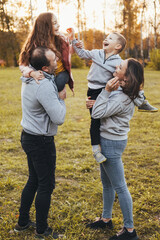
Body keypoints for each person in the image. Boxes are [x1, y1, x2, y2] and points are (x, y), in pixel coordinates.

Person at [67, 28, 158, 164]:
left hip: (106, 89)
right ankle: (96, 150)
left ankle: (142, 102)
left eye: (110, 38)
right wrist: (74, 40)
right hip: (93, 91)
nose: (105, 39)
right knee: (95, 120)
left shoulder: (118, 63)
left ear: (118, 46)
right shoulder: (96, 53)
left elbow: (129, 79)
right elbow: (81, 54)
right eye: (106, 37)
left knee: (129, 86)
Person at [86, 58, 143, 240]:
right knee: (107, 183)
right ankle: (106, 218)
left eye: (120, 67)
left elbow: (97, 114)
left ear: (127, 76)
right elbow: (102, 108)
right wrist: (99, 100)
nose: (115, 67)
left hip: (111, 143)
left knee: (120, 186)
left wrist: (104, 92)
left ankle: (129, 230)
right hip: (111, 139)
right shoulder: (125, 90)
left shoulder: (121, 98)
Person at [14, 47, 66, 240]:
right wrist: (61, 100)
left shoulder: (29, 77)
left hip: (28, 136)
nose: (57, 61)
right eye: (54, 60)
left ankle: (22, 223)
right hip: (41, 141)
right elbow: (59, 117)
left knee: (33, 180)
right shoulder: (42, 85)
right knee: (46, 185)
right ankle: (42, 230)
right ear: (44, 67)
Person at [19, 12, 75, 93]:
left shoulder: (61, 38)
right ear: (46, 27)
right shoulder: (34, 44)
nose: (58, 25)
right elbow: (23, 65)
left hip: (61, 73)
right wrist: (32, 73)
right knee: (45, 86)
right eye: (55, 23)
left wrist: (72, 40)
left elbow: (70, 53)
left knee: (58, 85)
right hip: (46, 74)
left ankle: (56, 96)